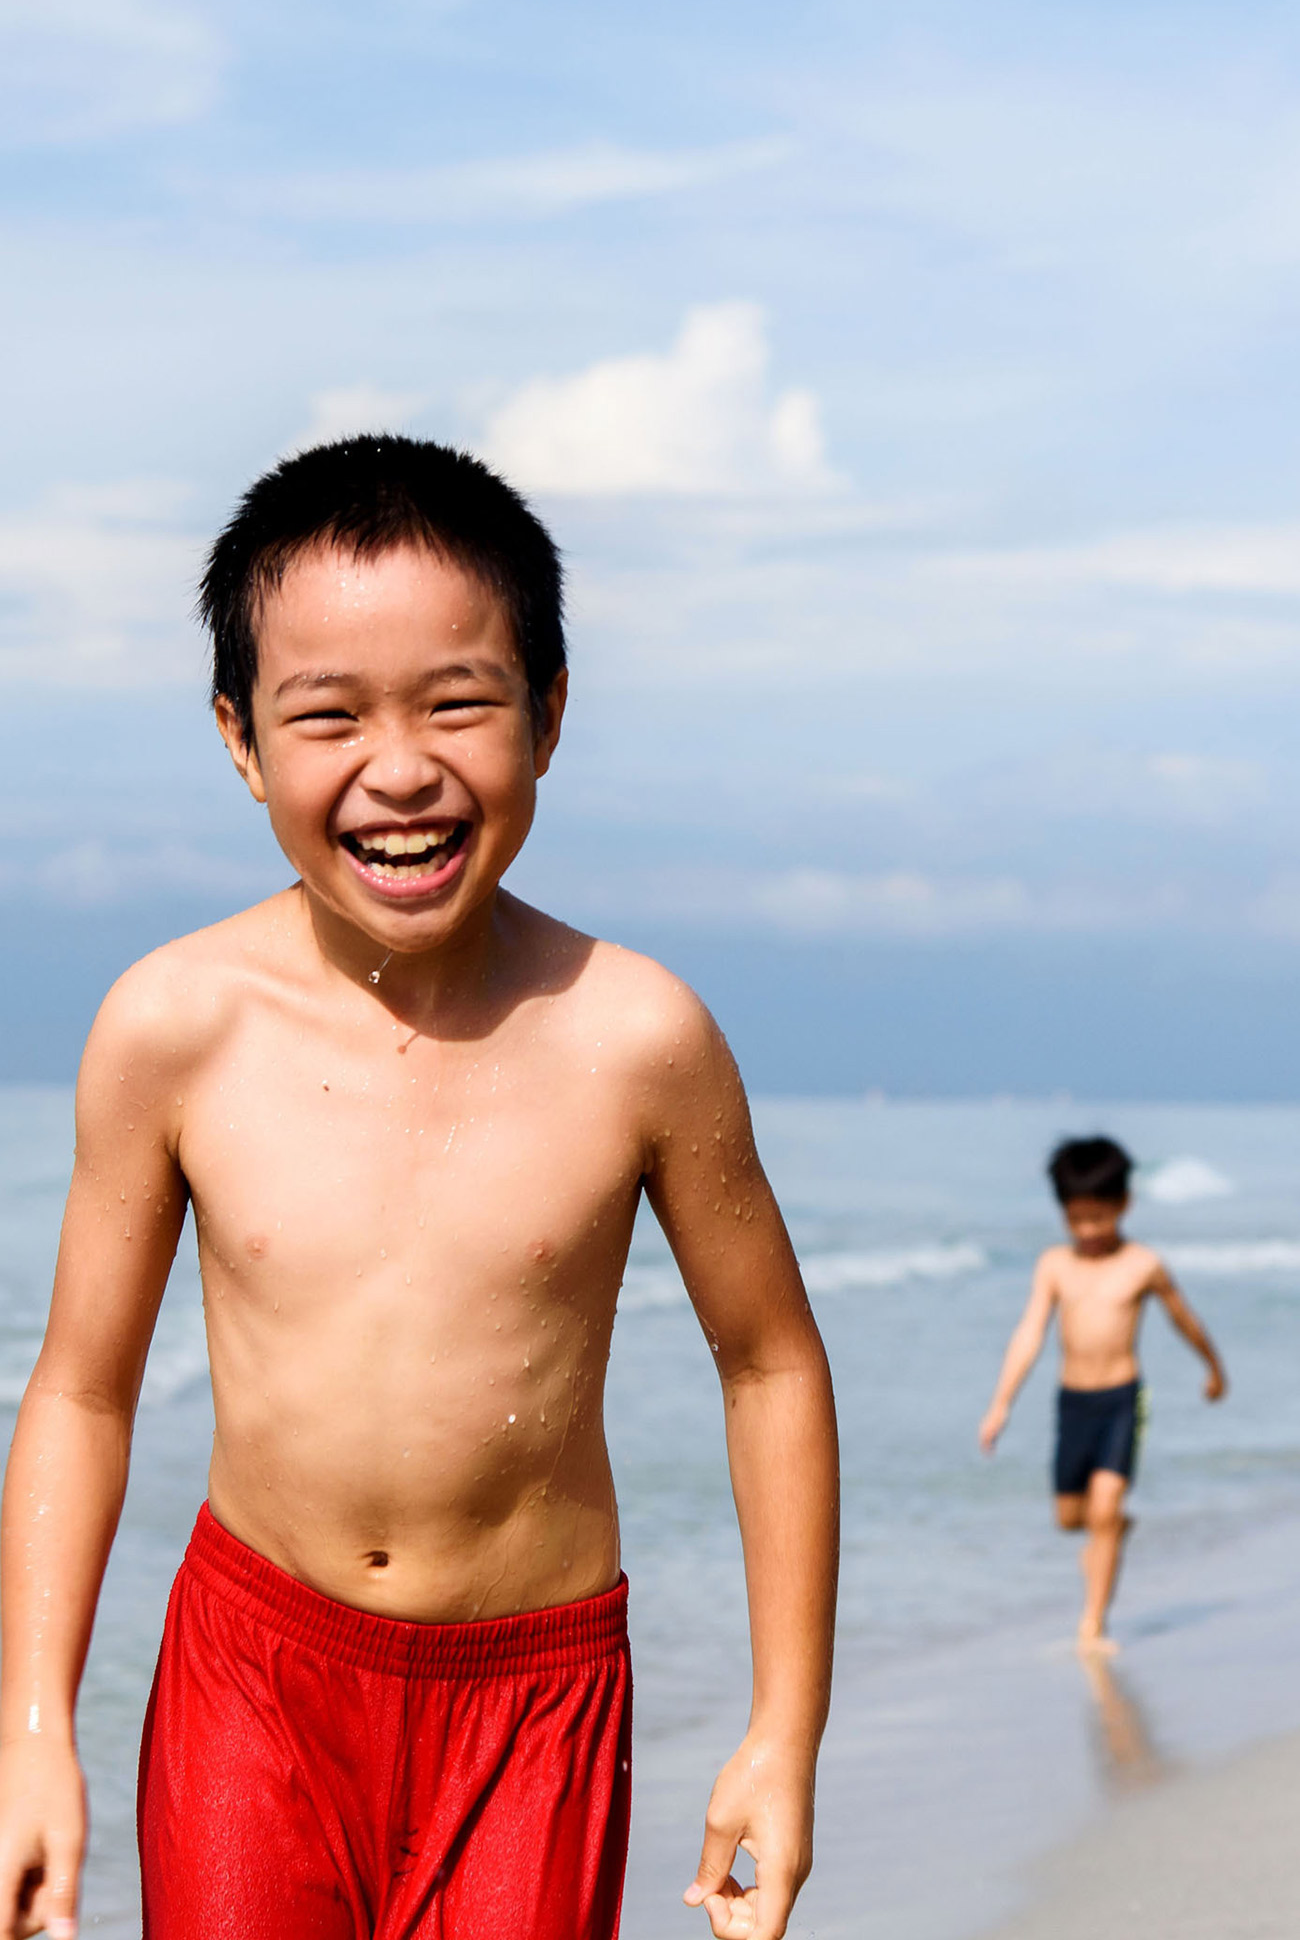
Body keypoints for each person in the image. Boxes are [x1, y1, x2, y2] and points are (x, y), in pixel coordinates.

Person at [0, 437, 839, 1940]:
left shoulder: (635, 1036)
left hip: (535, 1700)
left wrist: (787, 1730)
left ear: (551, 714)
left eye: (460, 702)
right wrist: (33, 1736)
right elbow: (81, 1392)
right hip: (250, 1681)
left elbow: (769, 1361)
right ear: (242, 741)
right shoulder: (172, 1029)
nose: (400, 769)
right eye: (327, 716)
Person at [978, 1134, 1225, 1653]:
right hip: (1074, 1403)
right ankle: (1111, 1528)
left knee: (1106, 1506)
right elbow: (1029, 1334)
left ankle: (1093, 1623)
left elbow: (1184, 1319)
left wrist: (1213, 1367)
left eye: (1099, 1218)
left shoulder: (1142, 1265)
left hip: (1121, 1400)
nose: (1087, 1231)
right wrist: (1001, 1404)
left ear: (1124, 1205)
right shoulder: (1055, 1265)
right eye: (1076, 1220)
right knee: (1071, 1519)